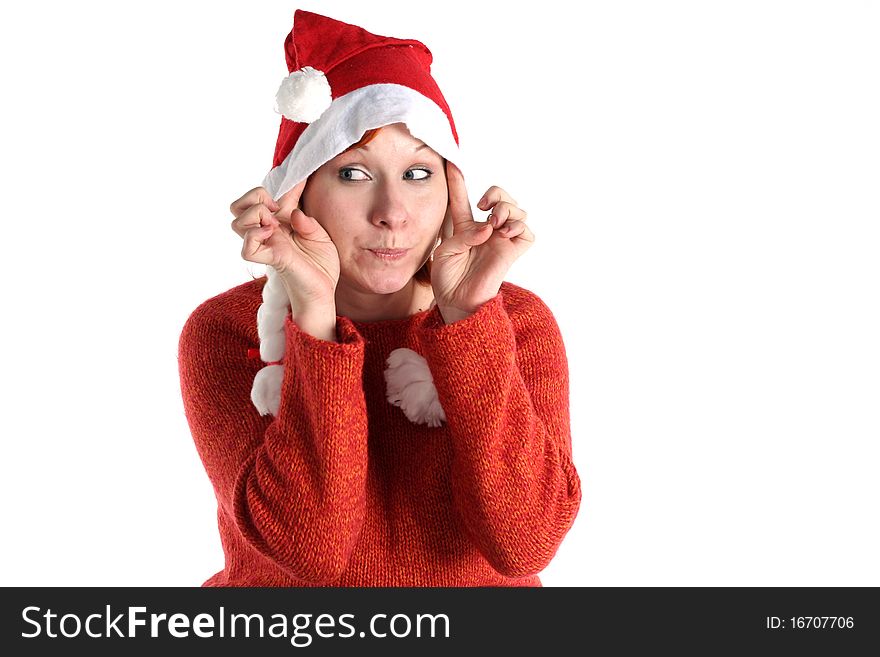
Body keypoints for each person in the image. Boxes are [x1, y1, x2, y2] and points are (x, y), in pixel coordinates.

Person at [178, 9, 581, 587]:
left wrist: (469, 320)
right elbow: (310, 550)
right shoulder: (228, 330)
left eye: (418, 175)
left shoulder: (513, 321)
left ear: (452, 188)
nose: (392, 214)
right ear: (300, 191)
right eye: (353, 174)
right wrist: (314, 318)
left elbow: (525, 543)